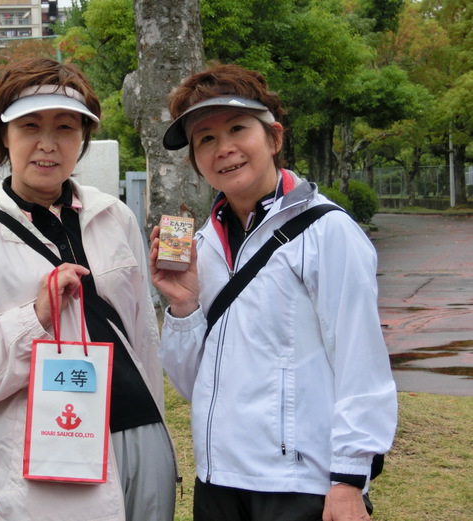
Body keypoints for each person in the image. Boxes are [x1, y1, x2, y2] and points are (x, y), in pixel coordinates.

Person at [0, 57, 177, 521]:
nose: (47, 143)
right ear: (3, 136)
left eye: (64, 127)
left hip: (142, 435)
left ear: (82, 137)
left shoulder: (114, 217)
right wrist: (34, 321)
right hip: (54, 462)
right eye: (29, 126)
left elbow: (143, 338)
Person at [150, 63, 397, 521]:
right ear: (196, 160)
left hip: (298, 485)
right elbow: (194, 385)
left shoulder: (326, 231)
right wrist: (182, 306)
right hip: (218, 481)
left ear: (274, 137)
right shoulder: (203, 246)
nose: (224, 148)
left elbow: (360, 360)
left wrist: (348, 479)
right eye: (205, 138)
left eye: (237, 129)